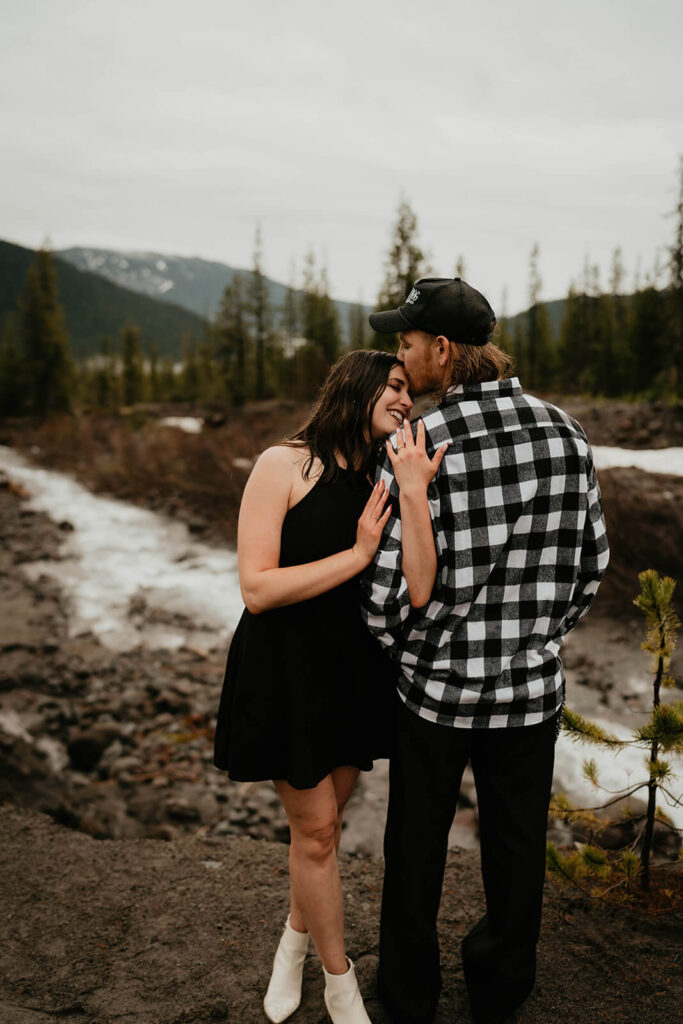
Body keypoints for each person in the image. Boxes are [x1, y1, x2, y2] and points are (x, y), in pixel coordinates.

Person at [362, 277, 610, 1024]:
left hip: (433, 695)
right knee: (515, 846)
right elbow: (589, 565)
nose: (399, 356)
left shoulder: (418, 445)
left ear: (441, 350)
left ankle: (408, 996)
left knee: (414, 846)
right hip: (528, 694)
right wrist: (536, 642)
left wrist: (404, 651)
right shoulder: (566, 433)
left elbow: (384, 593)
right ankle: (500, 986)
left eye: (405, 343)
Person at [213, 349, 443, 1024]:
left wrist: (413, 490)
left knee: (321, 831)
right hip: (284, 670)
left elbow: (417, 586)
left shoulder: (380, 474)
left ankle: (292, 940)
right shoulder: (281, 465)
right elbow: (256, 590)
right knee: (315, 834)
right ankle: (339, 984)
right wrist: (356, 556)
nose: (405, 398)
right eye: (394, 386)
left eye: (409, 389)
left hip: (353, 670)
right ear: (357, 385)